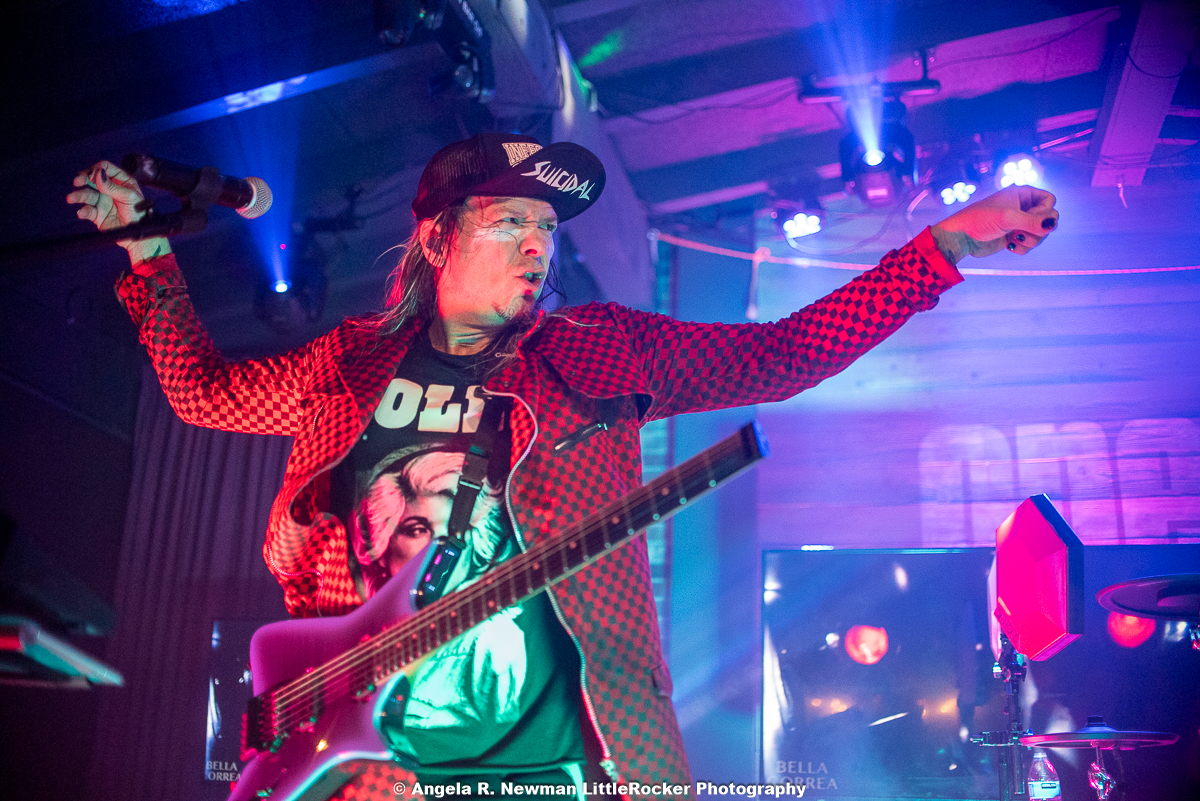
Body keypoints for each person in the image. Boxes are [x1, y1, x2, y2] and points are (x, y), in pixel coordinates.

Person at [67, 132, 1058, 797]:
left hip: (562, 760)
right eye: (511, 222)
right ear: (437, 238)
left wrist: (937, 251)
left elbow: (783, 354)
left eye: (546, 227)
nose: (537, 244)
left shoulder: (599, 349)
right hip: (361, 763)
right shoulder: (346, 362)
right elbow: (202, 392)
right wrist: (148, 251)